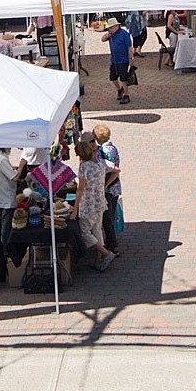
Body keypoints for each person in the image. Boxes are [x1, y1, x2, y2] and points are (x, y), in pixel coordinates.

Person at [71, 137, 114, 270]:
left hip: (88, 204)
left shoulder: (84, 167)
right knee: (97, 230)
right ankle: (99, 259)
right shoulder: (100, 164)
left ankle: (106, 254)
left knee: (85, 233)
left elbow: (80, 189)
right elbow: (115, 169)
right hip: (100, 202)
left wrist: (75, 209)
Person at [0, 146, 24, 248]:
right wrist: (21, 166)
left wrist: (12, 169)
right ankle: (4, 250)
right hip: (6, 195)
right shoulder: (2, 159)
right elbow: (14, 177)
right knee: (6, 226)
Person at [95, 124, 122, 254]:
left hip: (109, 188)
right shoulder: (113, 148)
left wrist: (104, 186)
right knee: (109, 216)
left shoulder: (104, 151)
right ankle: (111, 242)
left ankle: (112, 245)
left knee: (107, 218)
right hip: (115, 187)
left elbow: (111, 170)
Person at [105, 16, 135, 104]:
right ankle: (119, 89)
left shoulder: (124, 34)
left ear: (116, 26)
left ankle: (126, 95)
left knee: (123, 78)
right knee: (113, 77)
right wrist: (107, 35)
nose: (110, 29)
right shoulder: (110, 35)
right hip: (114, 60)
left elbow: (129, 47)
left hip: (123, 60)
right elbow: (102, 39)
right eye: (109, 28)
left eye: (111, 27)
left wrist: (131, 58)